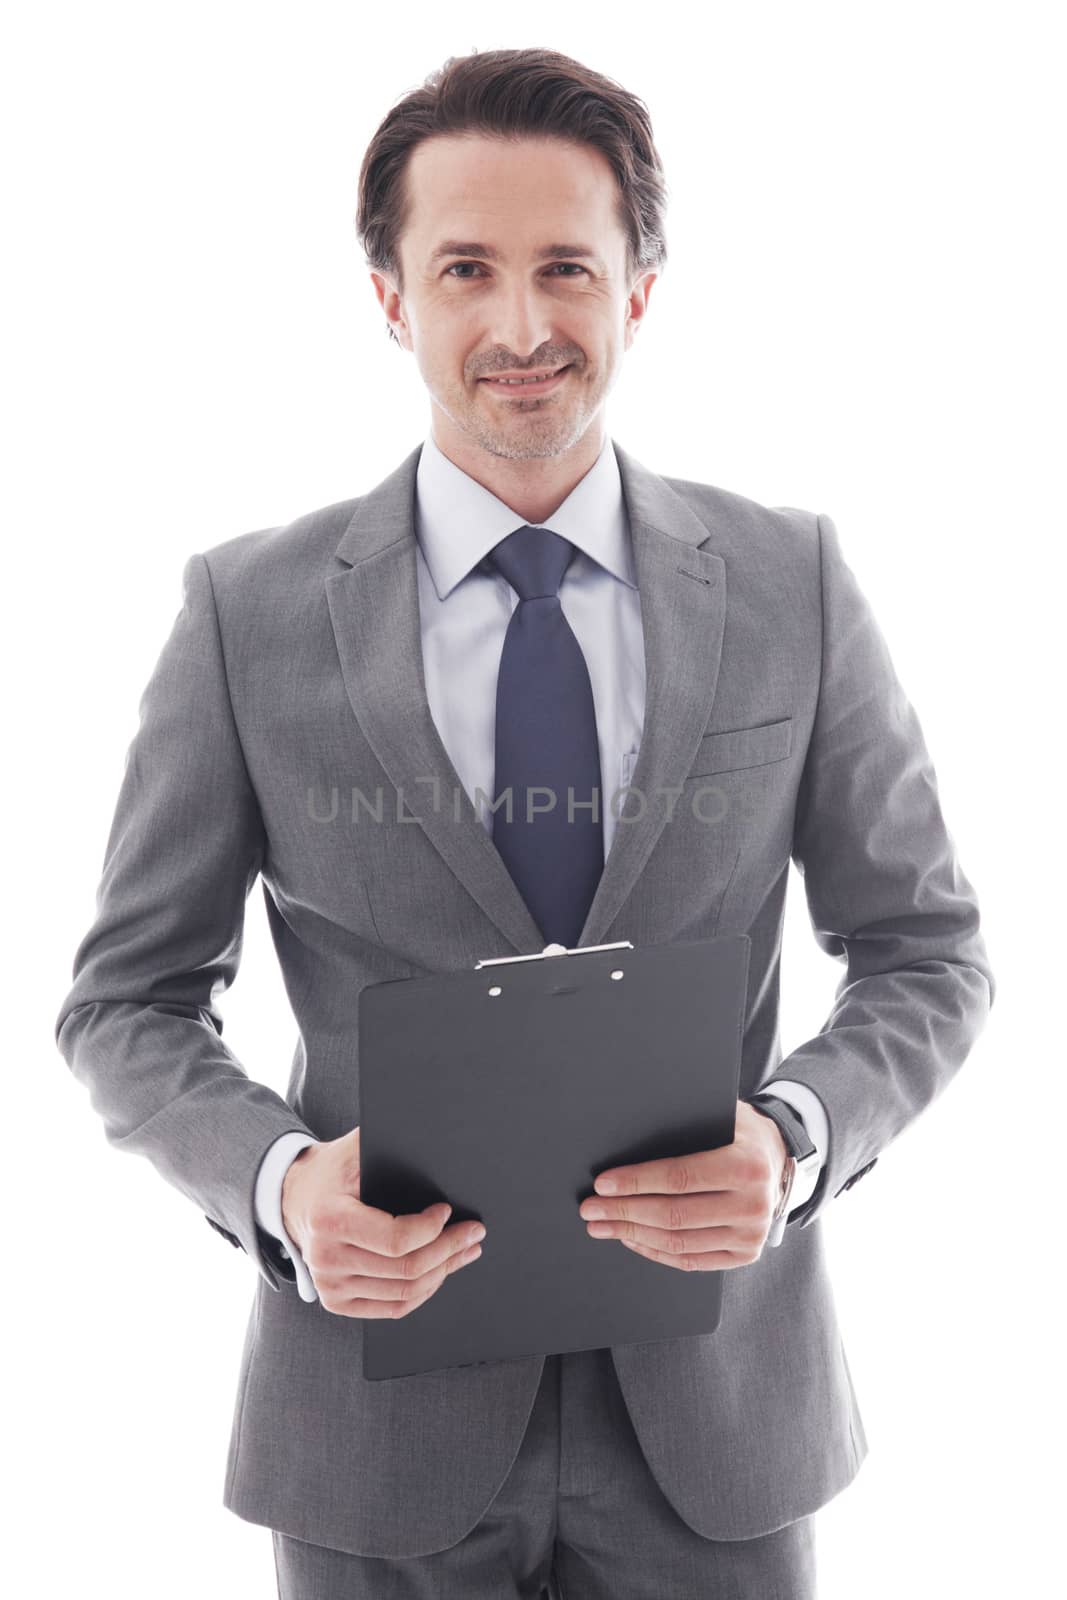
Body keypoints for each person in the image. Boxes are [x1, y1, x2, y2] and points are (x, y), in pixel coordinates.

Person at [54, 45, 995, 1600]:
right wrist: (282, 1185)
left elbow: (928, 952)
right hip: (376, 1419)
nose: (519, 327)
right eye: (464, 268)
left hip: (719, 1423)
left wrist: (799, 1137)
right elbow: (125, 1001)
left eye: (567, 266)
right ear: (388, 295)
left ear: (637, 289)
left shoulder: (791, 586)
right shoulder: (248, 614)